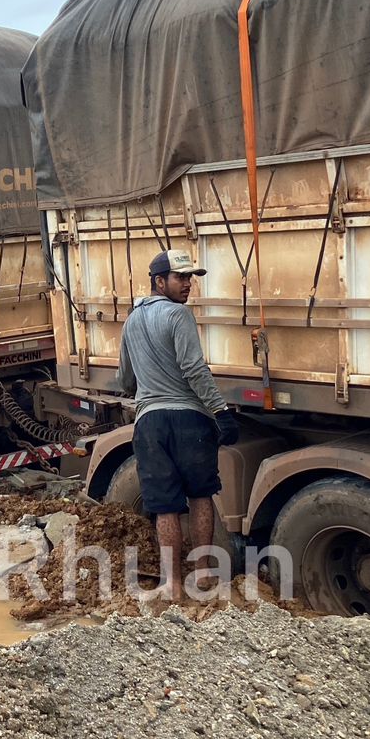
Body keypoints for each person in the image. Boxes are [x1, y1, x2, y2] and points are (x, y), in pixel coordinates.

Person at [116, 248, 242, 598]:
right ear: (159, 281)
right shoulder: (178, 316)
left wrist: (147, 382)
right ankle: (202, 573)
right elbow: (194, 368)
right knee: (200, 495)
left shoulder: (131, 320)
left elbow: (125, 379)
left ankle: (171, 584)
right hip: (190, 420)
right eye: (181, 278)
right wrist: (221, 411)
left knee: (164, 504)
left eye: (190, 278)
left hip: (150, 424)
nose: (188, 285)